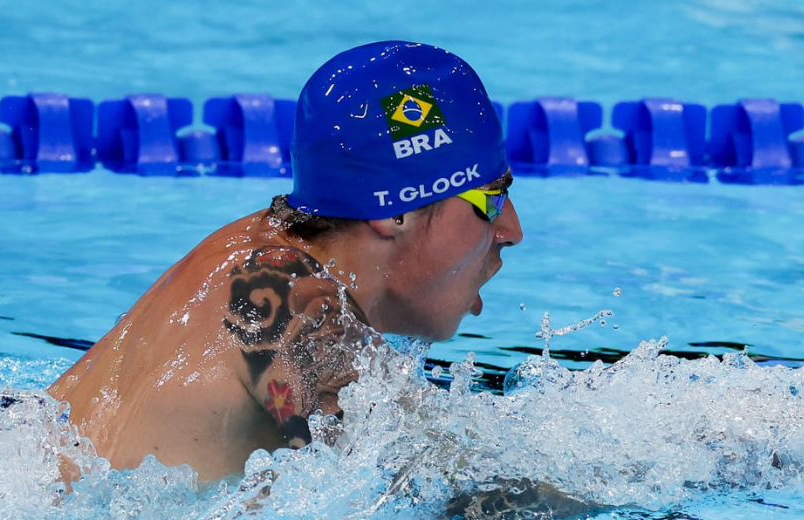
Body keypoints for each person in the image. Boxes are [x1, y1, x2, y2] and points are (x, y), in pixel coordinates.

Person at [48, 41, 523, 482]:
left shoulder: (261, 250)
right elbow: (466, 484)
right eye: (491, 201)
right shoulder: (288, 299)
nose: (511, 232)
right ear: (394, 212)